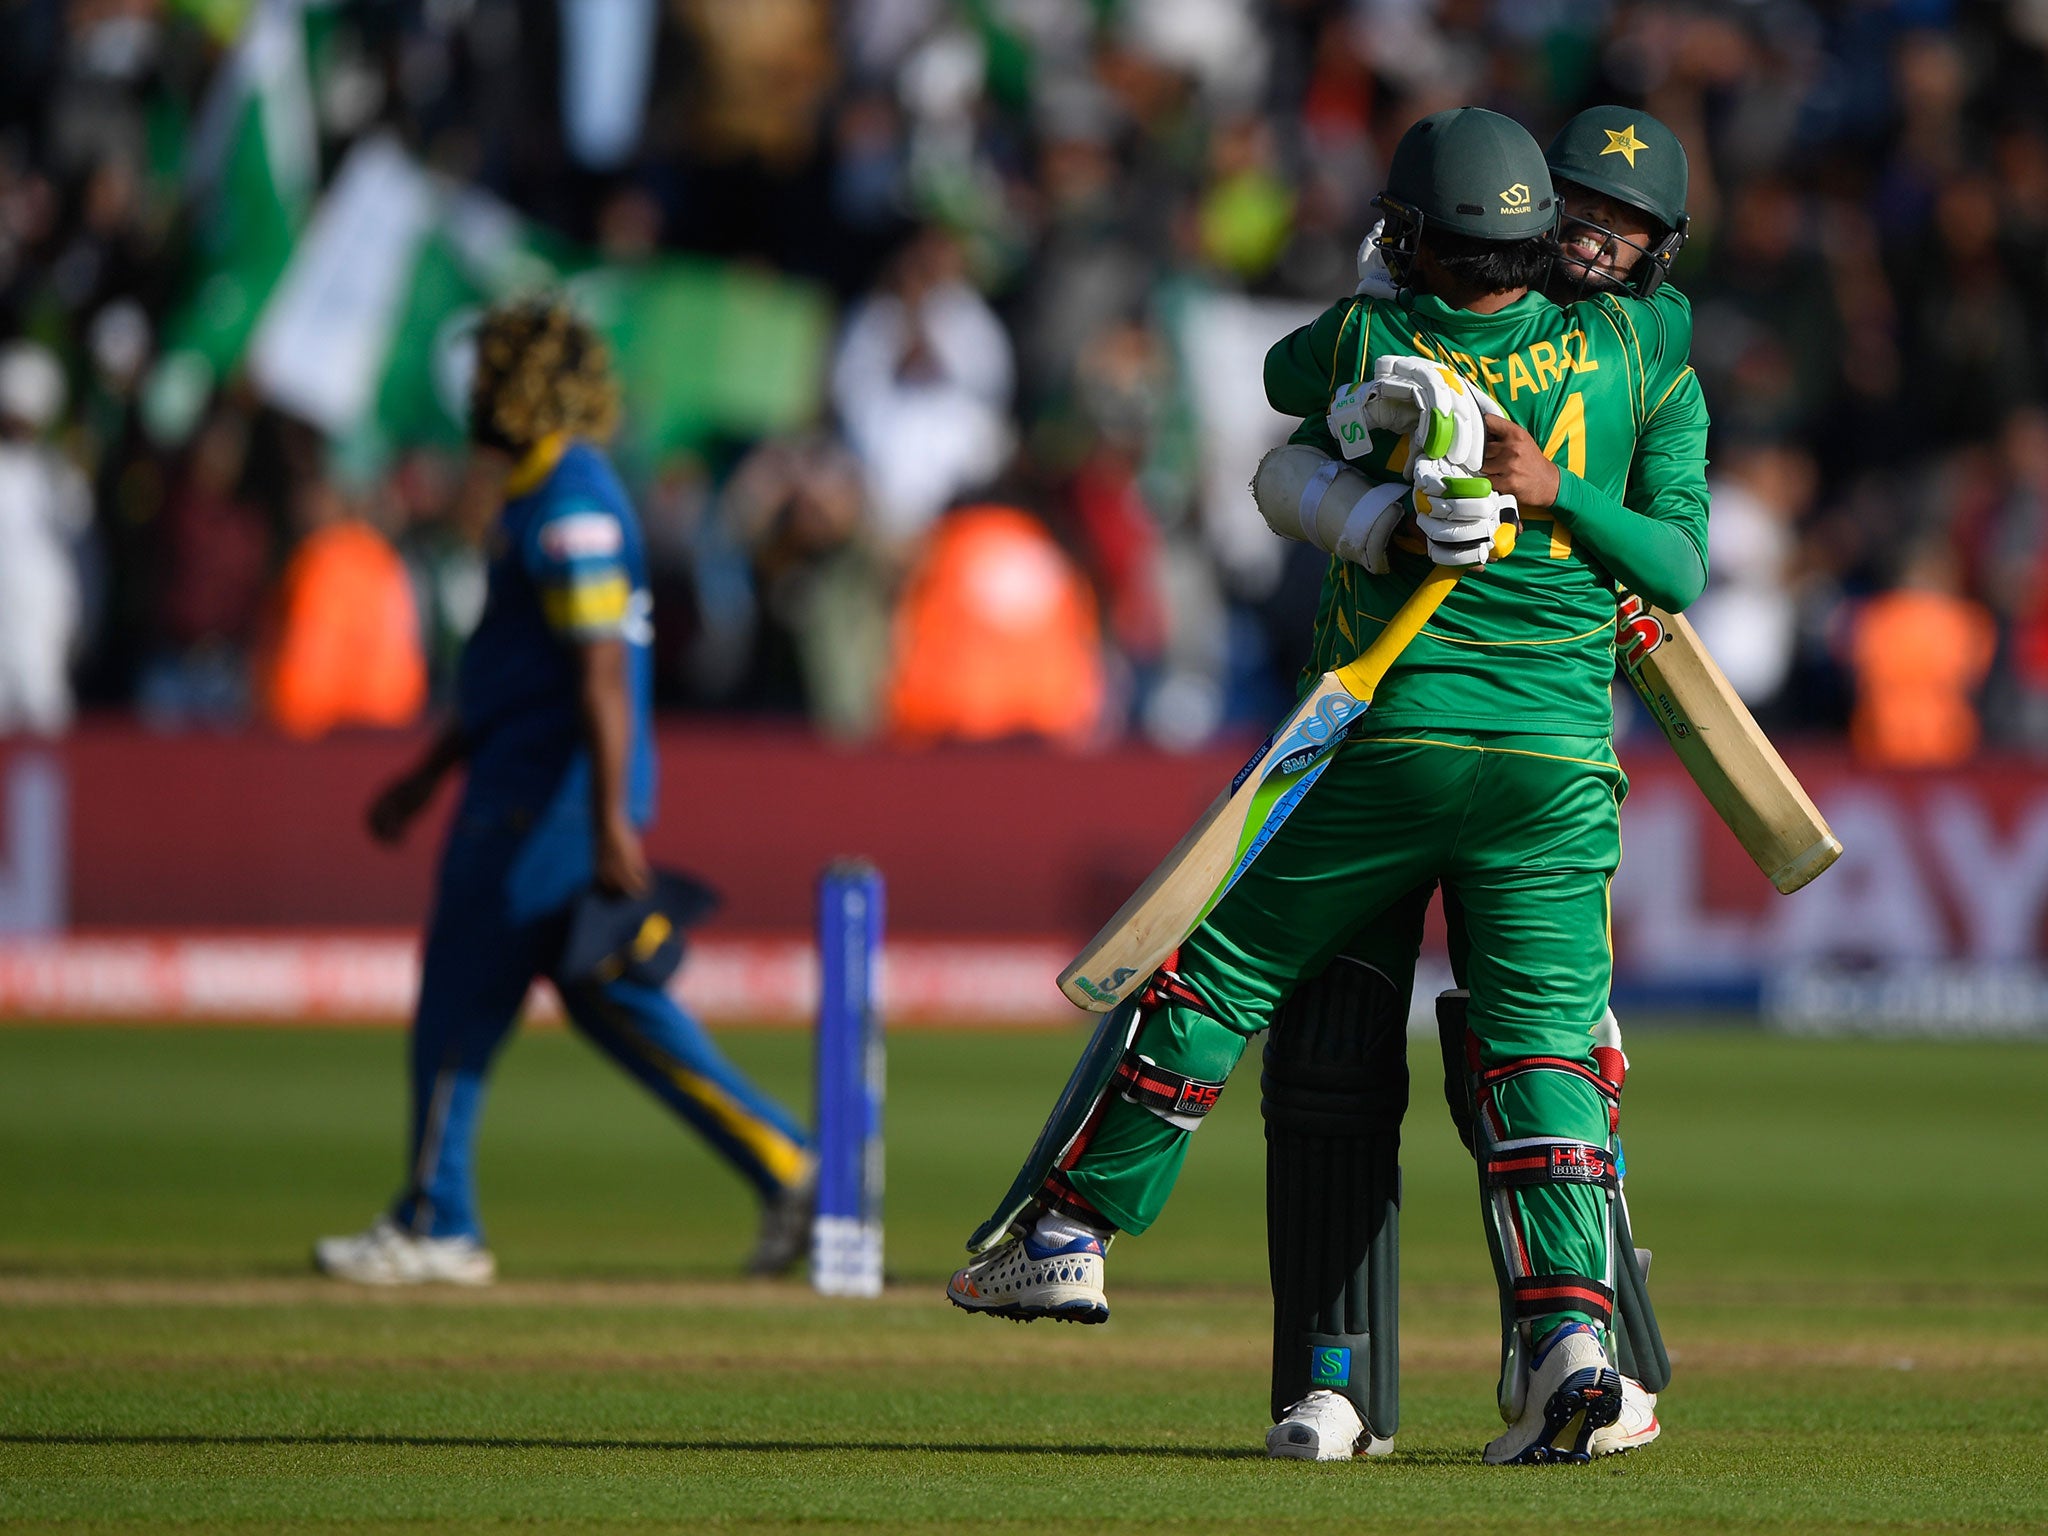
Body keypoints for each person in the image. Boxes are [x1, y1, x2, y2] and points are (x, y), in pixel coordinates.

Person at [949, 108, 1707, 1467]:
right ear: (1545, 240)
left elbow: (1291, 370)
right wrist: (1505, 484)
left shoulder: (1374, 336)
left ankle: (1070, 1231)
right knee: (1541, 1055)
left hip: (1394, 734)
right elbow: (1673, 545)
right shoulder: (1636, 346)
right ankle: (1572, 1345)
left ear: (1416, 238)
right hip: (1558, 768)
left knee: (1222, 971)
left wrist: (1396, 344)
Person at [1258, 104, 1704, 1463]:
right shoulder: (1413, 316)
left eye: (1620, 231)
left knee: (1541, 1065)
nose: (1587, 239)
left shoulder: (1649, 360)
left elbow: (1677, 565)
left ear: (1656, 255)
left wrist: (1564, 496)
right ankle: (1333, 1384)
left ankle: (1565, 1343)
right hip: (1382, 720)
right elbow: (1284, 451)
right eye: (1572, 208)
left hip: (1539, 753)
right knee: (1332, 1059)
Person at [315, 297, 815, 1286]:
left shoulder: (573, 507)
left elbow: (598, 675)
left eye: (489, 370)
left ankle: (436, 1219)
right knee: (606, 997)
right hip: (530, 785)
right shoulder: (535, 496)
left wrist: (607, 819)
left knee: (461, 993)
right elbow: (511, 675)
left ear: (525, 385)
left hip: (538, 801)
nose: (472, 391)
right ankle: (793, 1168)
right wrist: (422, 779)